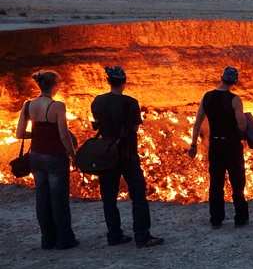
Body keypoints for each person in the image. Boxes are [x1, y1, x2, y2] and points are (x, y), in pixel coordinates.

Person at [91, 66, 163, 248]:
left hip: (106, 155)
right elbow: (134, 128)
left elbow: (97, 124)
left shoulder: (97, 101)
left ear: (108, 82)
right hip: (127, 154)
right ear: (124, 82)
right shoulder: (130, 102)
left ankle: (114, 235)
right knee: (138, 196)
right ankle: (142, 236)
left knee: (109, 197)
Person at [15, 70, 79, 249]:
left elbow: (19, 133)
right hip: (55, 157)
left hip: (36, 156)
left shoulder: (28, 105)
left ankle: (47, 239)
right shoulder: (58, 106)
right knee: (59, 199)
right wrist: (73, 155)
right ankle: (64, 240)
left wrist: (37, 133)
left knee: (42, 198)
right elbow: (64, 135)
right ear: (55, 86)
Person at [188, 66, 249, 228]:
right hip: (232, 147)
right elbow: (242, 126)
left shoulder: (207, 97)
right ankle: (240, 218)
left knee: (216, 184)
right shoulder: (235, 100)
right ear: (234, 82)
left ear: (221, 78)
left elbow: (197, 123)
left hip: (215, 146)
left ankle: (216, 219)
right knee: (237, 183)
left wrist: (193, 144)